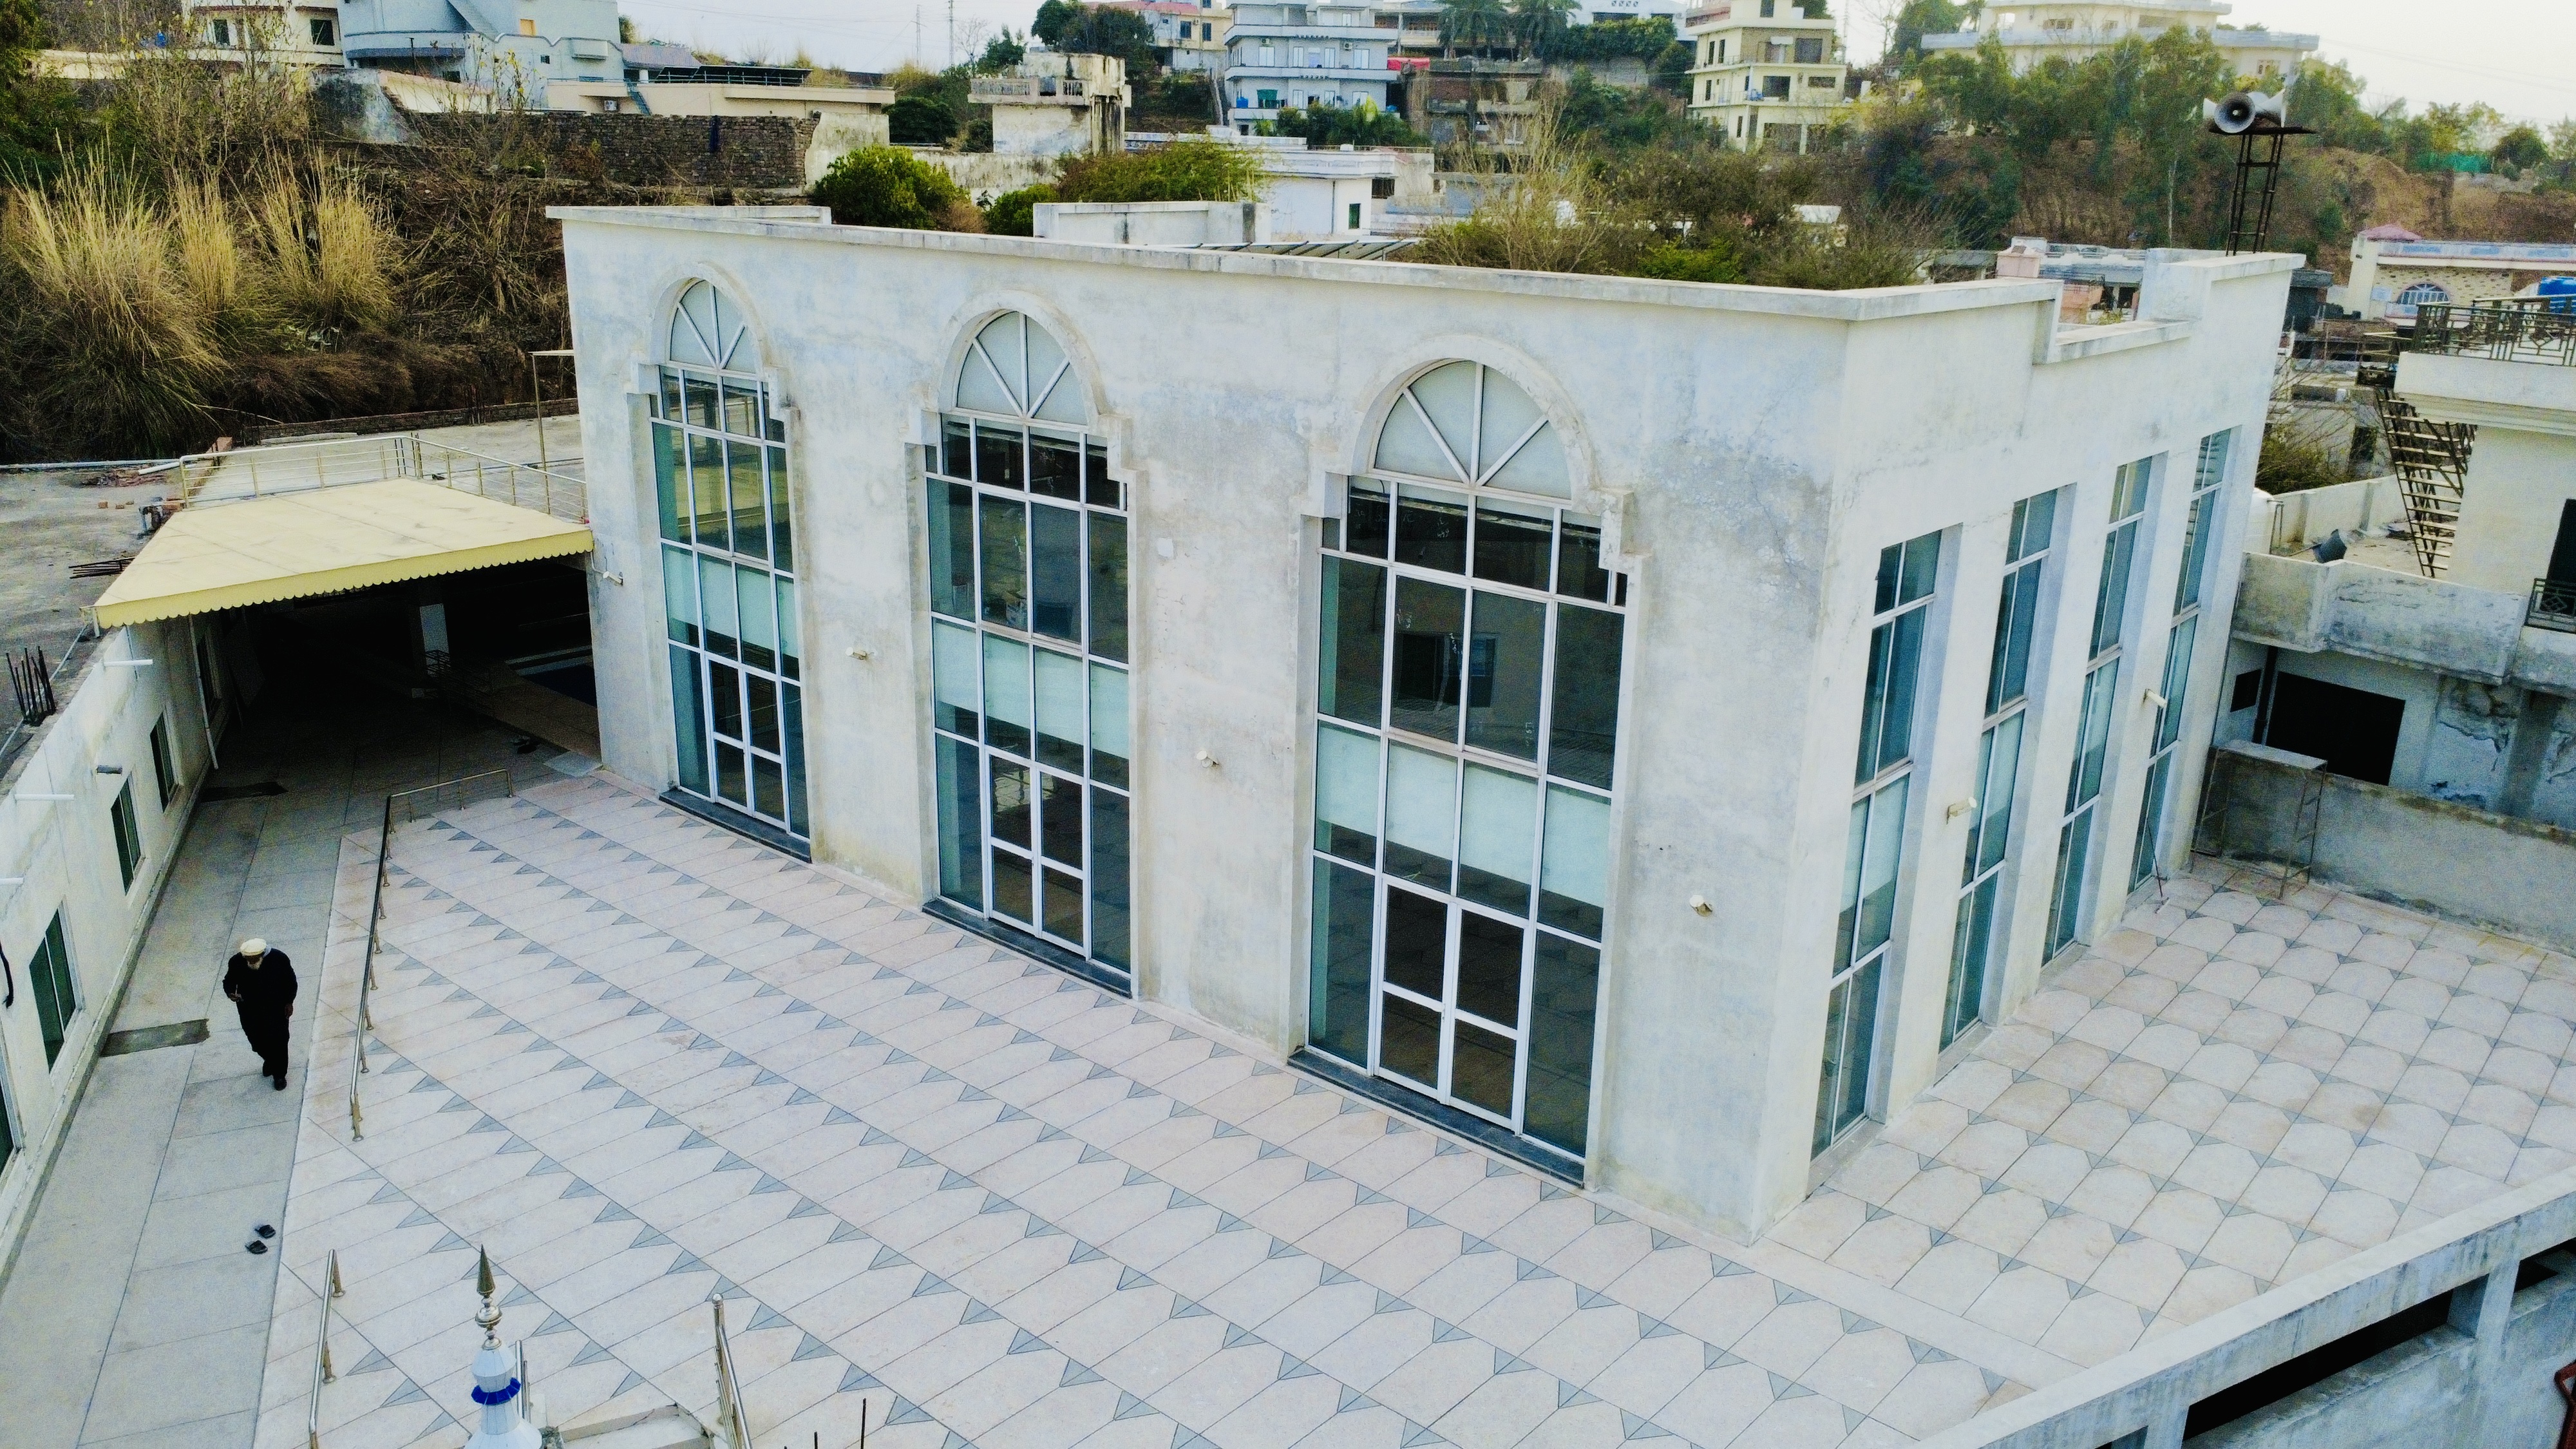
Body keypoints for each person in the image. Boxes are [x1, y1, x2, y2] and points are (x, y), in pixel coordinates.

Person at [223, 938, 298, 1090]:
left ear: (262, 954)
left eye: (254, 958)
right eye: (248, 959)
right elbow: (229, 980)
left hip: (276, 1008)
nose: (250, 961)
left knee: (279, 1041)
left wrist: (289, 1002)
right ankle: (269, 1059)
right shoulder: (237, 961)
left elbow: (290, 981)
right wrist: (230, 992)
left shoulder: (279, 958)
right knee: (256, 1042)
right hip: (249, 1010)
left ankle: (279, 1075)